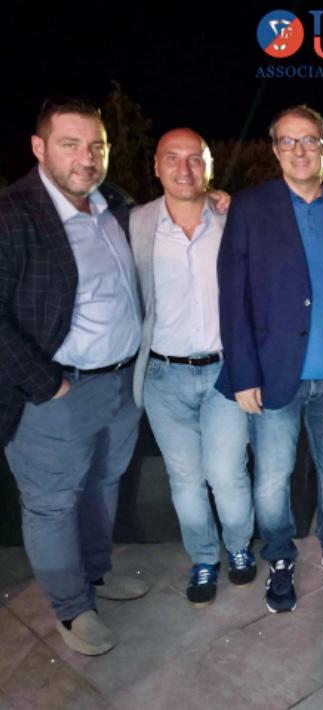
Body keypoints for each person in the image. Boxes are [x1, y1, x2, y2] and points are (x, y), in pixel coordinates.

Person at [0, 98, 149, 656]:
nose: (87, 158)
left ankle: (94, 577)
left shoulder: (113, 204)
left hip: (120, 385)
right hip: (56, 394)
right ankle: (71, 609)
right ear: (39, 148)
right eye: (71, 144)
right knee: (53, 504)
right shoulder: (13, 215)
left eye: (97, 146)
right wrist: (47, 385)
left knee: (103, 485)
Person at [217, 106, 323, 614]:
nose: (299, 150)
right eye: (288, 141)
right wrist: (243, 373)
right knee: (272, 478)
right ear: (275, 150)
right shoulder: (250, 209)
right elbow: (233, 296)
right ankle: (279, 555)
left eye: (309, 140)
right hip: (274, 372)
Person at [130, 128, 254, 607]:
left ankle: (238, 546)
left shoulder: (232, 220)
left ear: (209, 167)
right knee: (184, 480)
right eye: (172, 158)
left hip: (224, 373)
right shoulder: (136, 223)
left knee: (227, 474)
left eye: (195, 159)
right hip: (163, 377)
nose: (184, 169)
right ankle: (203, 558)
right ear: (156, 166)